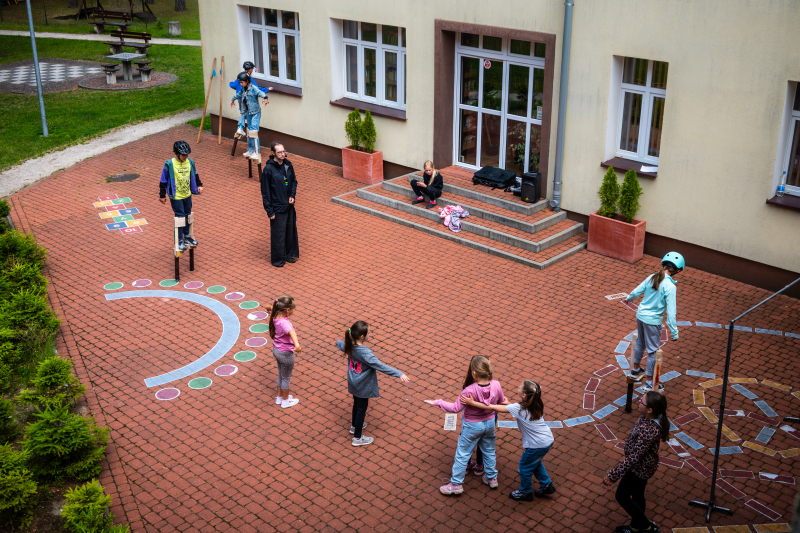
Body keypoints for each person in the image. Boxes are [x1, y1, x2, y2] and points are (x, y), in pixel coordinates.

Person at [461, 380, 556, 502]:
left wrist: (472, 403)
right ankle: (546, 484)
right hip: (547, 440)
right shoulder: (536, 404)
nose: (518, 387)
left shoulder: (518, 408)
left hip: (536, 445)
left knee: (524, 467)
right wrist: (509, 404)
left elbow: (491, 407)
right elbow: (520, 412)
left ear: (524, 395)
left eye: (519, 387)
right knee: (535, 462)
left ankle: (525, 492)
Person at [424, 355, 505, 495]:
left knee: (462, 454)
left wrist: (437, 402)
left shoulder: (469, 390)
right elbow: (500, 401)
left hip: (472, 426)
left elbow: (455, 408)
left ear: (474, 373)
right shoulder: (496, 384)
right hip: (490, 422)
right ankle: (492, 478)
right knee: (489, 450)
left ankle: (456, 484)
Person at [603, 391, 669, 533]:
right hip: (644, 467)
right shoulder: (647, 418)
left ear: (650, 410)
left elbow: (634, 457)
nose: (639, 401)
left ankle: (647, 527)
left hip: (639, 470)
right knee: (638, 495)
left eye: (642, 401)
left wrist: (613, 475)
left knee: (621, 495)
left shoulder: (649, 431)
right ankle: (636, 527)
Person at [335, 321, 410, 447]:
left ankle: (354, 426)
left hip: (353, 383)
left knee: (356, 405)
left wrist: (338, 341)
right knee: (361, 410)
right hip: (363, 386)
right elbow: (380, 366)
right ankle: (357, 438)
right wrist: (399, 373)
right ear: (362, 337)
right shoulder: (365, 353)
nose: (371, 334)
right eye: (369, 332)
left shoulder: (349, 345)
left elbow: (339, 344)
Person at [625, 252, 685, 392]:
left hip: (640, 315)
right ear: (678, 270)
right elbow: (671, 312)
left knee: (640, 341)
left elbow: (636, 291)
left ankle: (635, 370)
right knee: (652, 351)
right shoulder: (670, 287)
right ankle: (648, 383)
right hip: (653, 321)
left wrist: (629, 298)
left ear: (663, 264)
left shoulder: (652, 277)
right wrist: (674, 332)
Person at [159, 140, 204, 252]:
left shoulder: (190, 162)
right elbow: (163, 180)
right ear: (177, 154)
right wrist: (162, 195)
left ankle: (187, 236)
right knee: (180, 216)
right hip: (176, 196)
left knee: (188, 215)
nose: (186, 156)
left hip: (187, 194)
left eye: (187, 154)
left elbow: (195, 174)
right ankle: (179, 239)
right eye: (183, 155)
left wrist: (199, 185)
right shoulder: (169, 164)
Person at [261, 142, 299, 267]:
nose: (283, 154)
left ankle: (288, 255)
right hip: (277, 207)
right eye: (279, 152)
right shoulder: (268, 170)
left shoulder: (288, 165)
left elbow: (293, 181)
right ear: (273, 153)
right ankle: (278, 259)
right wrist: (269, 211)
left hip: (289, 206)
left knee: (289, 231)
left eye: (283, 151)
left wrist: (292, 195)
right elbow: (265, 192)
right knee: (278, 234)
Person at [267, 295, 301, 409]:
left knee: (281, 374)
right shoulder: (284, 323)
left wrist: (269, 307)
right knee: (286, 377)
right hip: (285, 353)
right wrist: (297, 345)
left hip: (276, 350)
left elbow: (270, 308)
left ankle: (279, 397)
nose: (292, 312)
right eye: (292, 310)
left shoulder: (275, 315)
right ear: (287, 310)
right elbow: (292, 332)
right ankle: (285, 401)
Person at [229, 72, 269, 159]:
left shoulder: (253, 88)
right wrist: (232, 100)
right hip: (249, 113)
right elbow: (238, 95)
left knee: (254, 132)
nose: (240, 84)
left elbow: (260, 93)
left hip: (255, 113)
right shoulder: (243, 90)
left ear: (247, 81)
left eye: (242, 82)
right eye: (240, 82)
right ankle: (250, 150)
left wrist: (265, 98)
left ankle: (257, 152)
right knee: (249, 132)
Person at [229, 61, 272, 137]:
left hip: (241, 100)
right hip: (246, 100)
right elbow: (257, 89)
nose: (241, 84)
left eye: (242, 83)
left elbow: (233, 86)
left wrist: (230, 83)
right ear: (251, 69)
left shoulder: (241, 77)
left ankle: (241, 128)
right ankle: (242, 129)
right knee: (246, 113)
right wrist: (267, 89)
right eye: (252, 68)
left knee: (244, 113)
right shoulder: (248, 79)